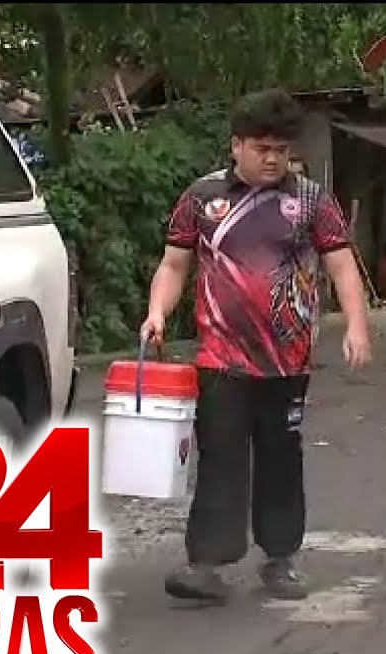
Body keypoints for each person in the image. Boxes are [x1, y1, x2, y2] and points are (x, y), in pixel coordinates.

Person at [140, 89, 373, 603]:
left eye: (281, 148)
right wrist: (158, 311)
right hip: (220, 357)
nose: (273, 158)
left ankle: (281, 559)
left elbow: (340, 263)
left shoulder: (311, 199)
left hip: (288, 360)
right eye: (261, 147)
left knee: (280, 457)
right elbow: (174, 263)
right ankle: (206, 564)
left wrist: (357, 325)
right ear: (236, 146)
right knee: (220, 456)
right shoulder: (202, 198)